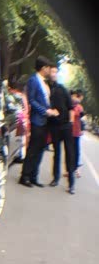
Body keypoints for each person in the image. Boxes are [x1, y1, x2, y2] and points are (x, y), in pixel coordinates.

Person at [20, 56, 58, 188]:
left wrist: (51, 111)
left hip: (46, 121)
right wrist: (45, 111)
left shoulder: (45, 83)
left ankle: (33, 177)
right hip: (37, 120)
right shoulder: (33, 80)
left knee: (40, 149)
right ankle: (24, 176)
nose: (49, 70)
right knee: (33, 149)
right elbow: (32, 100)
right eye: (48, 68)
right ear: (43, 68)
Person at [47, 65, 76, 193]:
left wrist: (70, 123)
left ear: (57, 74)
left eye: (55, 72)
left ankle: (71, 183)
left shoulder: (62, 89)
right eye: (52, 71)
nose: (53, 74)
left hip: (65, 126)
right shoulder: (46, 88)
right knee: (56, 153)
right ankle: (55, 178)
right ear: (49, 73)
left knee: (69, 153)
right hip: (54, 126)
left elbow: (71, 108)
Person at [71, 89, 85, 175]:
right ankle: (71, 169)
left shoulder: (79, 107)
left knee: (75, 151)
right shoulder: (75, 106)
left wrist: (82, 129)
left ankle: (75, 169)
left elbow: (82, 118)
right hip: (72, 131)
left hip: (76, 132)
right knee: (72, 151)